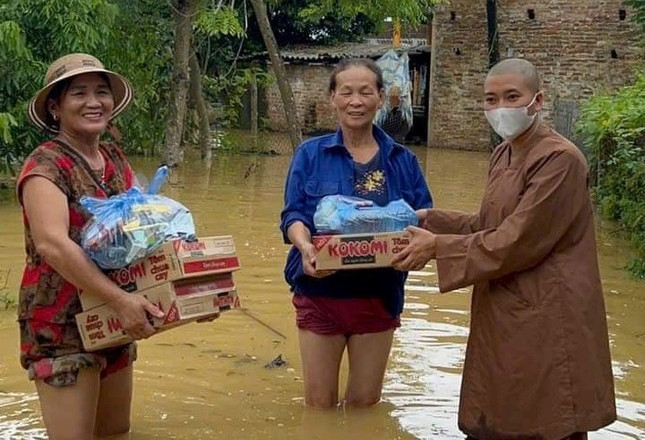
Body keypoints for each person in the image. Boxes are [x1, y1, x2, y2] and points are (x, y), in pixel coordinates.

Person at [392, 58, 616, 440]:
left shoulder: (559, 159)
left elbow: (517, 239)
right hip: (505, 303)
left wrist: (438, 248)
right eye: (490, 99)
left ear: (537, 100)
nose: (500, 108)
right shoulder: (504, 153)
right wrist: (432, 219)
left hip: (547, 309)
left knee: (546, 415)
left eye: (512, 97)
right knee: (497, 411)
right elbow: (490, 225)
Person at [18, 53, 165, 439]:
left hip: (115, 314)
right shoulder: (45, 166)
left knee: (115, 432)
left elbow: (141, 232)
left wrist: (183, 292)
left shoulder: (113, 158)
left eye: (101, 92)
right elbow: (52, 244)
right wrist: (120, 300)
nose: (94, 102)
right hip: (60, 321)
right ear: (55, 107)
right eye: (79, 93)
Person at [279, 58, 432, 409]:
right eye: (346, 92)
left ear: (381, 98)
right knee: (319, 406)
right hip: (320, 291)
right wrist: (305, 247)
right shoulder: (310, 154)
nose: (356, 101)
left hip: (377, 295)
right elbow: (294, 215)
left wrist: (416, 249)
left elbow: (423, 217)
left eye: (366, 92)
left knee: (364, 406)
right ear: (333, 98)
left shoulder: (403, 161)